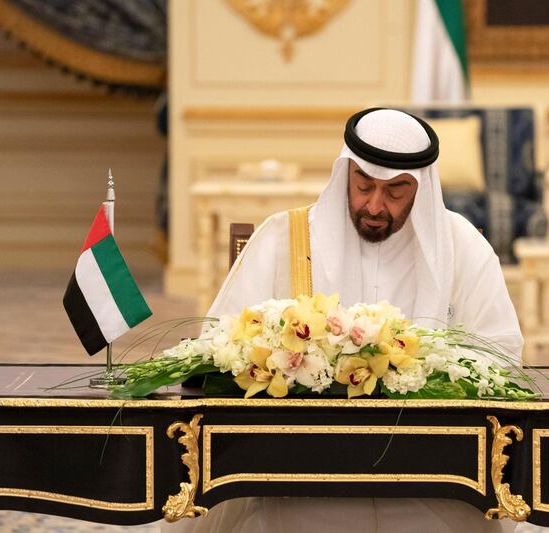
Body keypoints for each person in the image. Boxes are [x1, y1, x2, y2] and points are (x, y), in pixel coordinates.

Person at [181, 108, 522, 533]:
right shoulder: (284, 238)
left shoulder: (463, 249)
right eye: (363, 186)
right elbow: (219, 348)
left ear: (422, 187)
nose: (375, 205)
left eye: (396, 192)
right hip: (298, 479)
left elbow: (503, 357)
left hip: (429, 484)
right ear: (345, 172)